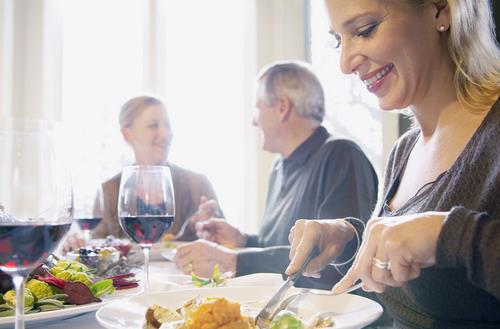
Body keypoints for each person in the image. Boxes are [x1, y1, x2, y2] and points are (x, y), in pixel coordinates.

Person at [286, 0, 500, 328]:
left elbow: (450, 240)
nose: (345, 63)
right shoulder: (405, 150)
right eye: (339, 40)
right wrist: (350, 239)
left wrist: (450, 235)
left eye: (365, 30)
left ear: (441, 11)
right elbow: (409, 277)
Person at [174, 61, 378, 286]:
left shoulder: (341, 156)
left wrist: (233, 261)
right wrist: (242, 240)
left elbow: (335, 260)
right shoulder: (278, 168)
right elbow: (284, 245)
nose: (253, 120)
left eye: (257, 108)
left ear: (282, 107)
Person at [66, 96, 223, 250]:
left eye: (167, 125)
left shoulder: (197, 184)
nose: (165, 133)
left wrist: (207, 226)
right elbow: (97, 248)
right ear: (128, 134)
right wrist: (78, 244)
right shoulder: (111, 190)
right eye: (154, 125)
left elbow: (226, 245)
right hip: (135, 276)